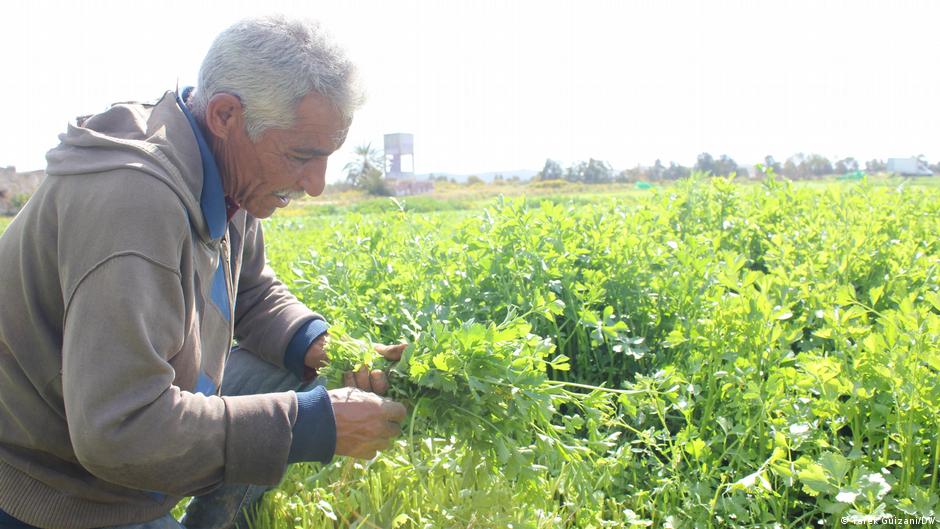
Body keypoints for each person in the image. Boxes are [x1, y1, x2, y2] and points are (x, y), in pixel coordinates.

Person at [0, 15, 406, 529]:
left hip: (117, 445)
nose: (317, 184)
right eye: (302, 155)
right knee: (299, 411)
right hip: (54, 486)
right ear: (225, 114)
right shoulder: (134, 204)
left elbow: (253, 293)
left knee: (288, 367)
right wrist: (313, 425)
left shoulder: (226, 175)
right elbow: (119, 426)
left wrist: (320, 344)